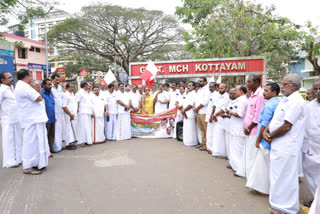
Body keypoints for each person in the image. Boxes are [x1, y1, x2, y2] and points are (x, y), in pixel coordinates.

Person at [263, 74, 305, 214]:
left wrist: (270, 135)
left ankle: (286, 208)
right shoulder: (285, 99)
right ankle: (277, 204)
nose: (281, 86)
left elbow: (287, 126)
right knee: (278, 176)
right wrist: (267, 130)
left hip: (287, 146)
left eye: (284, 84)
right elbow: (276, 119)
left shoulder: (296, 101)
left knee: (286, 177)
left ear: (293, 85)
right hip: (278, 144)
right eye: (281, 83)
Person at [246, 82, 280, 195]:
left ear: (274, 92)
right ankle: (262, 188)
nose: (263, 93)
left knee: (265, 166)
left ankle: (266, 190)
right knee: (262, 165)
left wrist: (258, 140)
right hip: (269, 138)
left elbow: (264, 124)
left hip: (265, 139)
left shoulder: (270, 105)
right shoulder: (276, 102)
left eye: (266, 91)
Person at [15, 69, 50, 175]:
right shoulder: (24, 86)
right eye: (30, 76)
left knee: (35, 142)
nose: (32, 78)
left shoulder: (21, 86)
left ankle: (35, 162)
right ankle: (27, 167)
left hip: (32, 118)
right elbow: (39, 98)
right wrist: (37, 88)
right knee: (29, 142)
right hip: (31, 119)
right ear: (26, 77)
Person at [236, 75, 265, 178]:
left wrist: (249, 127)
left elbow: (258, 115)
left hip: (254, 130)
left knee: (252, 153)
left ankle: (251, 176)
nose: (247, 84)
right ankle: (245, 172)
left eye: (249, 82)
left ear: (256, 83)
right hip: (248, 128)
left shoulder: (261, 95)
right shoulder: (252, 94)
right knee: (248, 152)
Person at [302, 79, 320, 208]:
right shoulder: (309, 106)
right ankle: (316, 201)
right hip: (310, 149)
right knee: (312, 177)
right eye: (316, 89)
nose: (318, 92)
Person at [0, 72, 22, 168]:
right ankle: (9, 161)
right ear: (3, 80)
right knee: (9, 140)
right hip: (8, 119)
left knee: (17, 139)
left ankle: (18, 158)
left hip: (16, 119)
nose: (12, 79)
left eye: (11, 77)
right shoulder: (2, 90)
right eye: (9, 78)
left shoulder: (12, 88)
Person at [226, 85, 248, 171]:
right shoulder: (238, 100)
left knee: (238, 149)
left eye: (236, 90)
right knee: (233, 148)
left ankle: (238, 169)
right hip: (234, 127)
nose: (234, 92)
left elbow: (240, 114)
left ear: (241, 91)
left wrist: (229, 112)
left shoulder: (243, 101)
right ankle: (233, 164)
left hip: (238, 128)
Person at [210, 83, 229, 158]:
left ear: (226, 89)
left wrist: (215, 115)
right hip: (216, 118)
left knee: (221, 136)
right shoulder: (218, 95)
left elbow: (223, 109)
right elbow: (215, 106)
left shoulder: (227, 97)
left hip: (221, 118)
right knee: (216, 135)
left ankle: (222, 153)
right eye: (220, 88)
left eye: (222, 88)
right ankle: (216, 151)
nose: (220, 90)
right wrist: (212, 115)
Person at [194, 77, 211, 151]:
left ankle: (206, 145)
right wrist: (195, 107)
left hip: (203, 112)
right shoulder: (199, 90)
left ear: (205, 82)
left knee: (205, 129)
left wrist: (197, 108)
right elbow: (196, 100)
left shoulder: (207, 90)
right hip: (198, 112)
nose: (199, 82)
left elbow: (205, 102)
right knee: (201, 129)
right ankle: (203, 143)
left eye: (201, 81)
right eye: (199, 81)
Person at [41, 79, 56, 156]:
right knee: (45, 135)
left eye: (51, 85)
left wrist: (55, 116)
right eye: (48, 85)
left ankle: (51, 148)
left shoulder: (51, 93)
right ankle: (46, 151)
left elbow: (52, 105)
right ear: (44, 85)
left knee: (52, 134)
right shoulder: (40, 93)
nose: (50, 86)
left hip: (52, 117)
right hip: (45, 118)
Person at [76, 81, 93, 147]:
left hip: (88, 111)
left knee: (87, 127)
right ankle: (82, 141)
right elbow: (76, 101)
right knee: (82, 127)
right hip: (82, 112)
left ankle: (87, 140)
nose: (88, 87)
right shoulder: (79, 93)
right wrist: (77, 108)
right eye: (87, 86)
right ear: (84, 86)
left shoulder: (87, 93)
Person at [181, 81, 198, 146]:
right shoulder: (189, 93)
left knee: (190, 129)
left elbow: (191, 104)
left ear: (194, 87)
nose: (189, 87)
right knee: (186, 128)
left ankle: (191, 142)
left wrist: (184, 110)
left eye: (190, 85)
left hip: (190, 113)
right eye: (188, 85)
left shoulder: (194, 94)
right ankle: (187, 141)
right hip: (186, 113)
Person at [62, 83, 78, 150]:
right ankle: (68, 144)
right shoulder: (65, 95)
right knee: (68, 128)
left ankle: (72, 142)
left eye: (73, 87)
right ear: (67, 88)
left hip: (73, 114)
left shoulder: (72, 95)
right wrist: (70, 114)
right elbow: (64, 106)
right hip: (69, 114)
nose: (72, 88)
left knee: (73, 128)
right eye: (71, 87)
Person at [51, 73, 63, 152]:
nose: (58, 81)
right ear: (52, 79)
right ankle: (55, 146)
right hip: (54, 111)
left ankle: (60, 145)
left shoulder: (60, 88)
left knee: (60, 128)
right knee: (55, 129)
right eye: (56, 80)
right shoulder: (50, 88)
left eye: (59, 80)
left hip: (60, 111)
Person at [223, 88, 237, 160]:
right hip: (227, 126)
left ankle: (231, 158)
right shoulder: (229, 101)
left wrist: (225, 115)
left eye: (234, 93)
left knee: (232, 144)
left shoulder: (238, 102)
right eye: (230, 93)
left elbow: (237, 115)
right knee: (227, 143)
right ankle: (229, 157)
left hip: (233, 127)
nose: (231, 95)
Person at [205, 82, 218, 154]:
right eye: (209, 86)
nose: (210, 88)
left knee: (212, 133)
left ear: (216, 87)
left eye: (212, 87)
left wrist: (211, 116)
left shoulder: (216, 94)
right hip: (209, 116)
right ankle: (209, 147)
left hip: (212, 117)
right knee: (209, 133)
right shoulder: (211, 94)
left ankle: (212, 148)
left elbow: (214, 106)